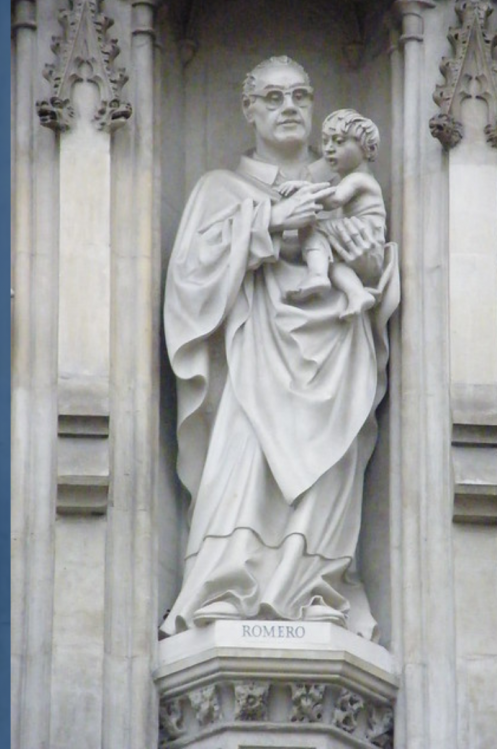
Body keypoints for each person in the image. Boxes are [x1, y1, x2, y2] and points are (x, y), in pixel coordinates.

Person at [161, 56, 399, 641]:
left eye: (299, 95)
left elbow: (372, 267)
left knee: (332, 457)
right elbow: (189, 278)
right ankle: (225, 588)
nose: (288, 107)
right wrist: (268, 221)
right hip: (251, 356)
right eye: (272, 97)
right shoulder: (219, 190)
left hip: (337, 348)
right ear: (249, 109)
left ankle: (314, 587)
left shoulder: (338, 188)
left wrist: (363, 256)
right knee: (244, 457)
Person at [282, 109, 387, 319]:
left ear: (366, 149)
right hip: (358, 235)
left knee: (310, 226)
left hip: (363, 231)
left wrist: (303, 190)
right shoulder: (351, 179)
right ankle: (356, 293)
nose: (329, 149)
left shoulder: (358, 179)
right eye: (326, 141)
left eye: (339, 141)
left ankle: (317, 274)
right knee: (335, 264)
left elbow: (334, 200)